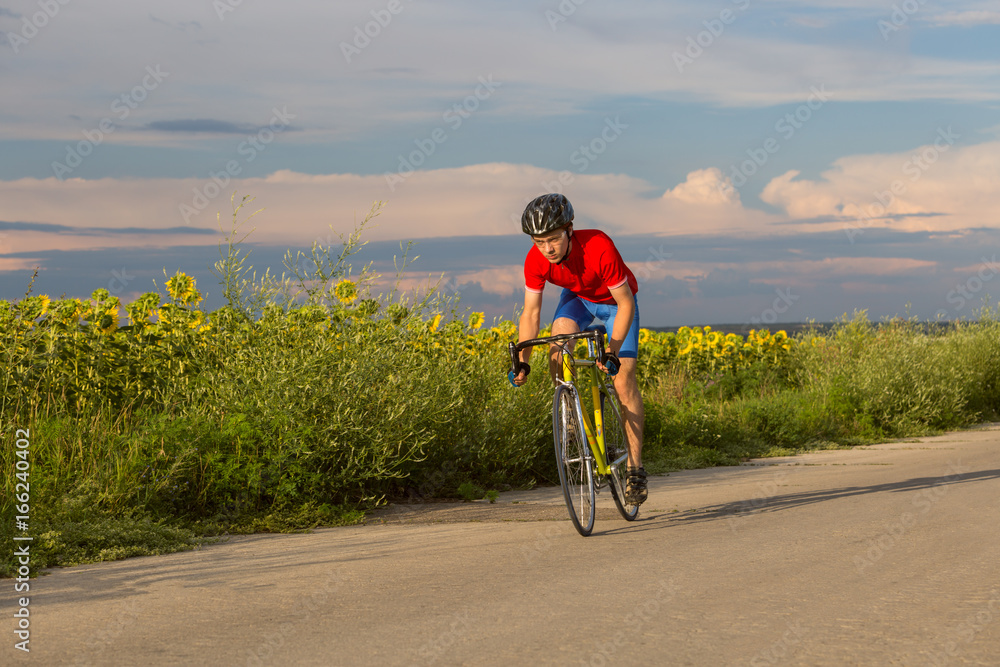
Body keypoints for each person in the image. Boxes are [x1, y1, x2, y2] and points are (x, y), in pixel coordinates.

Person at [509, 193, 647, 504]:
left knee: (623, 380)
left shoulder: (599, 246)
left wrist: (611, 350)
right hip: (579, 301)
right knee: (557, 341)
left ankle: (635, 470)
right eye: (539, 241)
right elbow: (531, 313)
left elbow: (625, 302)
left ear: (569, 229)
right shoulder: (536, 259)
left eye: (553, 239)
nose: (547, 249)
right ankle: (569, 416)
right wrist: (523, 360)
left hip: (616, 305)